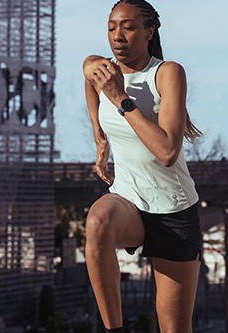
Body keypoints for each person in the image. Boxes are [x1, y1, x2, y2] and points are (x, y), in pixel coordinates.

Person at [82, 1, 203, 332]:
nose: (117, 36)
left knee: (174, 327)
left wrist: (120, 98)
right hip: (129, 198)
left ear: (149, 31)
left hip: (174, 210)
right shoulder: (101, 70)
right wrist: (99, 140)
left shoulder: (166, 73)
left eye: (128, 27)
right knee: (97, 222)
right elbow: (88, 74)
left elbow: (167, 151)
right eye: (111, 27)